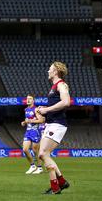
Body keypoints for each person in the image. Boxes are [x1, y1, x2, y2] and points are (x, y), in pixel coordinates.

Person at [36, 62, 72, 195]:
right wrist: (43, 110)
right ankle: (61, 182)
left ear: (56, 71)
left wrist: (46, 109)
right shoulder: (53, 87)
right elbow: (53, 105)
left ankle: (56, 187)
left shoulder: (61, 84)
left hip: (57, 124)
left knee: (43, 154)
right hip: (52, 123)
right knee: (45, 154)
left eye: (50, 69)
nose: (48, 71)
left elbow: (66, 102)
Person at [21, 94, 44, 174]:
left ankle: (40, 168)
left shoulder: (36, 109)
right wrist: (24, 122)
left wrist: (30, 121)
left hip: (35, 132)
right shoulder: (26, 109)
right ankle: (32, 166)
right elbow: (28, 120)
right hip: (28, 132)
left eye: (30, 99)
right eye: (27, 99)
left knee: (35, 150)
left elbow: (41, 120)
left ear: (33, 100)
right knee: (25, 149)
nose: (28, 100)